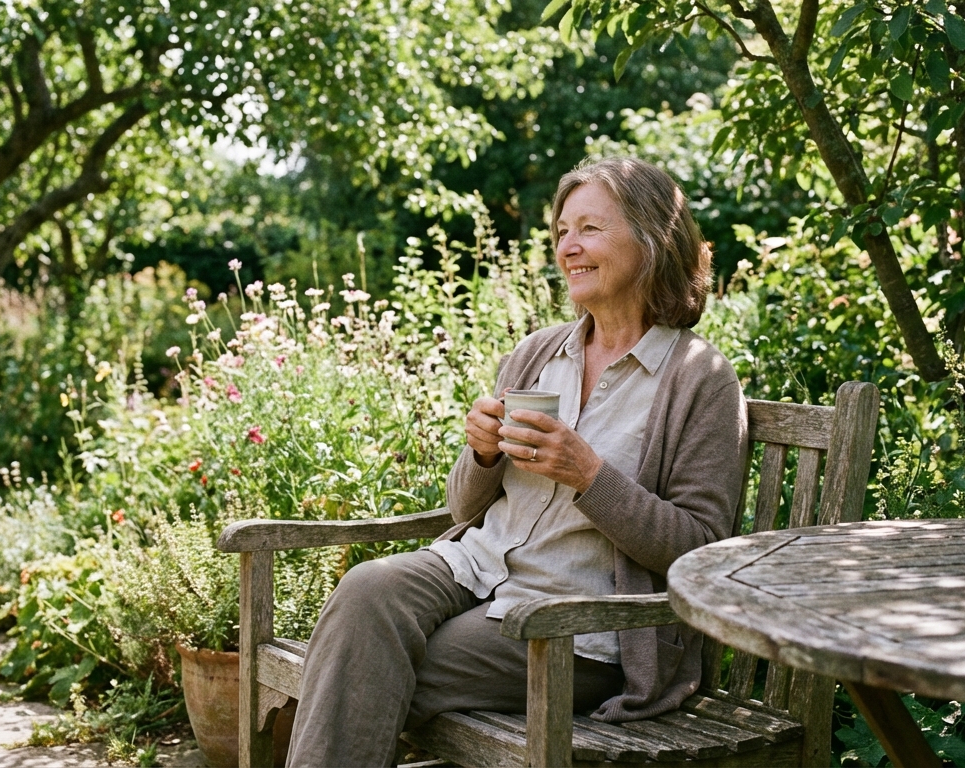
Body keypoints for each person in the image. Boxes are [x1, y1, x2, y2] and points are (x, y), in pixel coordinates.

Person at [285, 157, 749, 766]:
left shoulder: (698, 381)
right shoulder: (537, 354)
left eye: (590, 229)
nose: (569, 248)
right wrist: (480, 453)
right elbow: (462, 508)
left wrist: (589, 475)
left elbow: (700, 547)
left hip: (574, 627)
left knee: (358, 668)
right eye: (561, 232)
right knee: (367, 589)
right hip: (475, 571)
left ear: (652, 238)